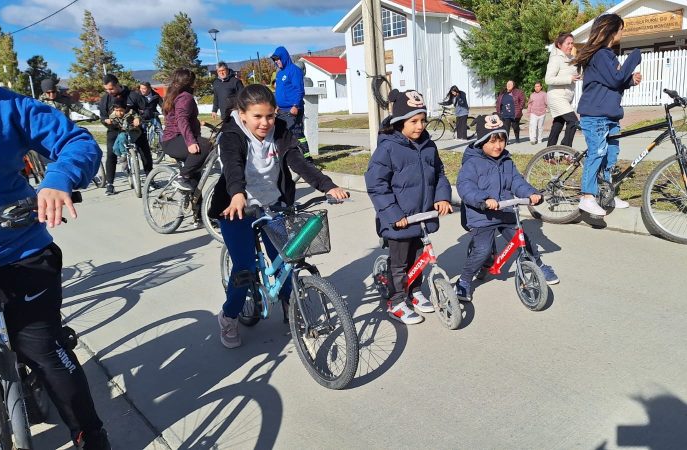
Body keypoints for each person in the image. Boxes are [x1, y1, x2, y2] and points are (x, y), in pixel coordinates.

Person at [0, 84, 111, 449]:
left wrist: (58, 179)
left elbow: (78, 142)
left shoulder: (7, 107)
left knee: (45, 350)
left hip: (18, 249)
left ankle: (90, 434)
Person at [206, 84, 349, 348]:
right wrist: (237, 194)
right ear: (243, 114)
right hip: (235, 207)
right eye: (257, 117)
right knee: (245, 267)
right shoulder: (230, 135)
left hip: (272, 203)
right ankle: (228, 317)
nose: (265, 123)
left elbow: (299, 162)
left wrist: (327, 185)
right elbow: (232, 166)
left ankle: (290, 304)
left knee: (286, 258)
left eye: (269, 116)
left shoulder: (280, 130)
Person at [365, 90, 453, 325]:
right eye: (413, 121)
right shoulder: (388, 148)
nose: (420, 126)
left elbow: (440, 173)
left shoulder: (428, 145)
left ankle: (414, 292)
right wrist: (394, 214)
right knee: (400, 264)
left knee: (418, 258)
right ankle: (396, 300)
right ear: (400, 122)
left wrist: (442, 197)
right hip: (400, 219)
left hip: (422, 215)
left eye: (423, 120)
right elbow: (376, 184)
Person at [455, 115, 559, 302]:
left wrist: (531, 194)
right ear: (481, 142)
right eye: (492, 141)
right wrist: (484, 199)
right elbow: (465, 187)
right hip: (483, 214)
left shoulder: (506, 161)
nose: (498, 146)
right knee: (483, 250)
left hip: (505, 210)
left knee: (522, 239)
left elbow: (517, 182)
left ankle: (538, 264)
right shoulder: (472, 163)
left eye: (501, 140)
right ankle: (464, 280)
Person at [572, 14, 642, 216]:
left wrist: (629, 81)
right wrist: (634, 57)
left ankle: (606, 195)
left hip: (610, 115)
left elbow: (613, 81)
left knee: (611, 156)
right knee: (598, 152)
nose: (622, 33)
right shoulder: (601, 54)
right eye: (621, 29)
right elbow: (616, 78)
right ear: (611, 30)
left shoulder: (606, 56)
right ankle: (587, 196)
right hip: (596, 115)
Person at [161, 68, 214, 193]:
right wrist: (191, 142)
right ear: (190, 83)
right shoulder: (185, 97)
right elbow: (181, 119)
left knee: (196, 177)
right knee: (207, 145)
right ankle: (182, 176)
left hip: (172, 140)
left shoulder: (173, 94)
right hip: (175, 139)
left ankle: (197, 209)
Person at [99, 74, 153, 195]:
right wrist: (107, 121)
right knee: (111, 154)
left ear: (118, 84)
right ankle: (110, 184)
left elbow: (148, 110)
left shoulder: (133, 96)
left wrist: (141, 118)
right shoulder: (105, 99)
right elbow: (102, 116)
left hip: (134, 129)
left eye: (111, 89)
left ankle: (150, 178)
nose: (109, 91)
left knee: (144, 151)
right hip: (115, 129)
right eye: (106, 89)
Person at [271, 46, 311, 160]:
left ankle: (308, 159)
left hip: (293, 109)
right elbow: (280, 91)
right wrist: (277, 106)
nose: (276, 61)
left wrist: (295, 106)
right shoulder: (279, 74)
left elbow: (299, 90)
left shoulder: (294, 71)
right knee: (282, 134)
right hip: (281, 110)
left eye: (278, 59)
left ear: (284, 57)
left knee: (297, 134)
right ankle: (290, 157)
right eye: (275, 60)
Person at [545, 32, 581, 148]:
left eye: (572, 43)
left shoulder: (571, 58)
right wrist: (569, 78)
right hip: (557, 97)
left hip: (566, 97)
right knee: (573, 121)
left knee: (558, 124)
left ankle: (548, 155)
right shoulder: (556, 58)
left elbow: (576, 74)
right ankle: (566, 150)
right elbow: (548, 79)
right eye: (568, 43)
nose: (570, 46)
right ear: (559, 45)